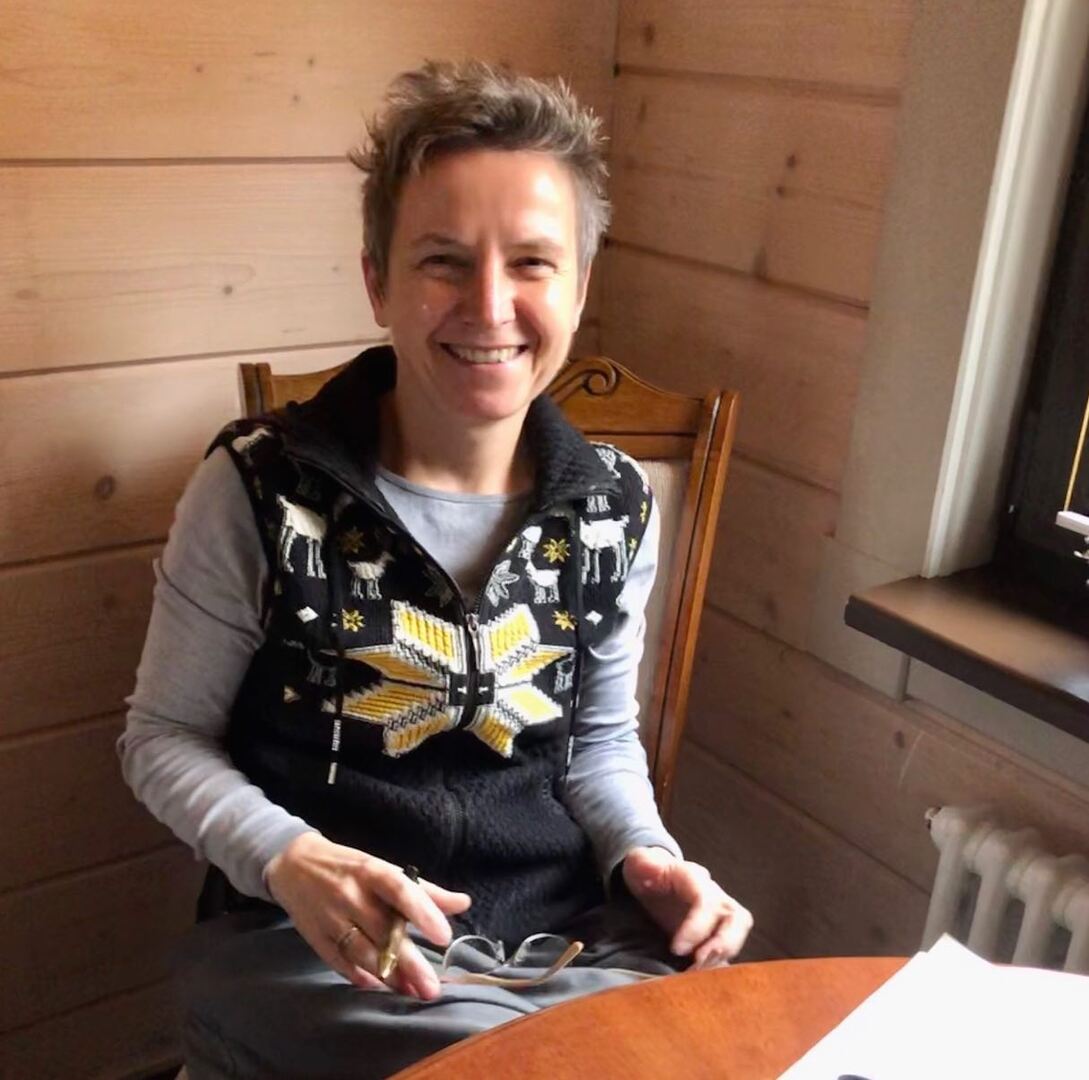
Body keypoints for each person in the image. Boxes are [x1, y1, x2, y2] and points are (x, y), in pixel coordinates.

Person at [120, 60, 752, 1079]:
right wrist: (291, 859)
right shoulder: (258, 486)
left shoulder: (615, 504)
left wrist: (649, 857)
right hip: (324, 956)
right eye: (443, 262)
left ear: (580, 286)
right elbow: (162, 740)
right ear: (378, 281)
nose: (489, 306)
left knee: (702, 1026)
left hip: (554, 947)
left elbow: (595, 745)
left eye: (533, 263)